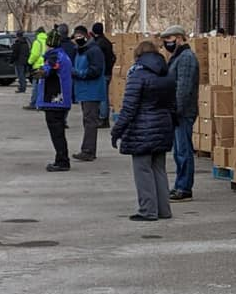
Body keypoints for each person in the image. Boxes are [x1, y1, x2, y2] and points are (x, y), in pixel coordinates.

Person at [111, 41, 176, 221]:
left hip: (142, 129)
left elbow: (129, 108)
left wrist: (117, 130)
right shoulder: (168, 74)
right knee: (159, 169)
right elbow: (173, 105)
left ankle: (148, 210)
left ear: (138, 55)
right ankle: (164, 209)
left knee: (143, 170)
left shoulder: (137, 75)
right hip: (163, 126)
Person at [161, 25, 199, 202]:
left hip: (182, 112)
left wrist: (177, 109)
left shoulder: (186, 58)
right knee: (178, 151)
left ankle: (184, 187)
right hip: (176, 110)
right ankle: (180, 184)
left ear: (179, 38)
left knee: (183, 150)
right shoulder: (178, 57)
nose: (166, 43)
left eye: (169, 39)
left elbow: (184, 88)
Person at [34, 28, 74, 172]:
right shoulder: (63, 55)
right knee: (59, 131)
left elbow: (48, 70)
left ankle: (62, 160)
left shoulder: (54, 57)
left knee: (57, 132)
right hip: (61, 100)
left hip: (55, 100)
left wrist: (39, 72)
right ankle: (61, 159)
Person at [70, 25, 107, 162]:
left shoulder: (93, 51)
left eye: (80, 37)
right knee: (87, 120)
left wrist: (78, 73)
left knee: (90, 121)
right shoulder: (81, 51)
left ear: (86, 36)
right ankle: (88, 149)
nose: (77, 39)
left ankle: (88, 150)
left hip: (92, 90)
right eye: (76, 37)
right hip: (84, 90)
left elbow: (96, 70)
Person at [92, 22, 116, 129]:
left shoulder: (98, 44)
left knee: (102, 96)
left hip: (102, 73)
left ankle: (103, 118)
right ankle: (103, 117)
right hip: (108, 72)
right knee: (104, 95)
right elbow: (113, 57)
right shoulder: (107, 42)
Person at [24, 26, 47, 109]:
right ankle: (43, 103)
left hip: (37, 66)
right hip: (46, 65)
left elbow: (35, 54)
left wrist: (29, 62)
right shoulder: (47, 41)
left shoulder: (37, 42)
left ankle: (34, 103)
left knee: (36, 86)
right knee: (44, 86)